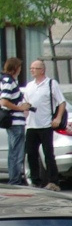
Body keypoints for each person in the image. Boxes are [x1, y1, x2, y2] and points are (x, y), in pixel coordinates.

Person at [20, 60, 65, 191]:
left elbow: (61, 102)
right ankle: (35, 180)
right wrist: (24, 110)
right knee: (31, 154)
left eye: (35, 68)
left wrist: (58, 118)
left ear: (42, 70)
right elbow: (25, 104)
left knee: (48, 154)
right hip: (31, 125)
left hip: (46, 124)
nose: (32, 70)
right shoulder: (29, 86)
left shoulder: (51, 84)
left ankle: (53, 181)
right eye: (31, 68)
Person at [1, 58, 25, 186]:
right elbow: (4, 102)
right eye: (19, 67)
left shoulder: (6, 80)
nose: (21, 70)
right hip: (16, 123)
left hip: (14, 123)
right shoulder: (9, 81)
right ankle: (15, 181)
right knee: (16, 153)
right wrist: (20, 108)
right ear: (15, 68)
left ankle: (14, 179)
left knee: (13, 152)